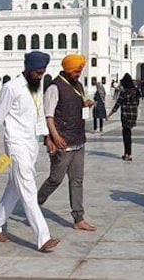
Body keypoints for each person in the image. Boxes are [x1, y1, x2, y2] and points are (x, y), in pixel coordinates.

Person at [0, 51, 60, 253]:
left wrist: (47, 138)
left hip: (31, 144)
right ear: (28, 69)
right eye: (38, 72)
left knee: (14, 187)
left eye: (43, 73)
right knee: (28, 188)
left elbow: (38, 115)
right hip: (16, 144)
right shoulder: (11, 88)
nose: (40, 75)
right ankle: (43, 237)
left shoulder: (36, 87)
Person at [37, 54, 97, 232]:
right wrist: (54, 137)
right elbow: (48, 116)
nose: (79, 73)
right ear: (68, 69)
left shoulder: (77, 84)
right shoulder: (55, 87)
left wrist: (85, 104)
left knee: (77, 180)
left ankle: (78, 218)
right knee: (55, 179)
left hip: (78, 139)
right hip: (63, 141)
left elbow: (74, 103)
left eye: (80, 70)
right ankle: (34, 204)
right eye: (76, 70)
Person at [107, 73, 140, 160]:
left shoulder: (124, 92)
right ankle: (129, 153)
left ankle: (127, 154)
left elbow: (118, 104)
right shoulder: (136, 91)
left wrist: (109, 114)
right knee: (128, 134)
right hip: (133, 115)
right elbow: (137, 102)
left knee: (126, 135)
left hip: (125, 115)